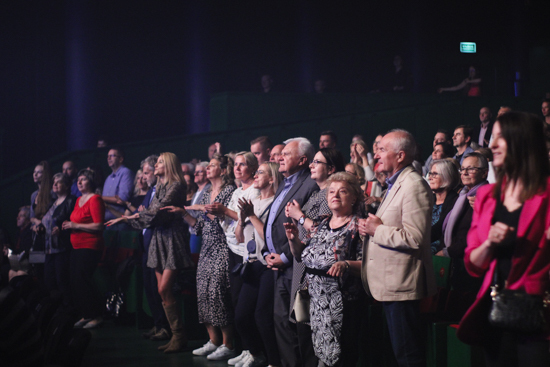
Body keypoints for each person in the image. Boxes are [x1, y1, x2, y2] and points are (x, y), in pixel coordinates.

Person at [457, 112, 550, 366]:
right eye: (492, 136)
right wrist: (489, 243)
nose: (492, 144)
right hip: (496, 312)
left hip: (540, 314)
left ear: (523, 141)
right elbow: (473, 264)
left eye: (501, 137)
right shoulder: (487, 195)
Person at [359, 129, 436, 367]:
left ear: (400, 156)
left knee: (408, 357)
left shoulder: (414, 185)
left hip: (402, 286)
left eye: (382, 149)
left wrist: (376, 231)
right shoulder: (394, 184)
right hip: (389, 285)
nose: (376, 154)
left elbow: (415, 238)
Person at [106, 153, 194, 353]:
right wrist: (128, 218)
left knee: (164, 289)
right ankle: (174, 335)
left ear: (169, 165)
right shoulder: (159, 186)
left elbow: (155, 213)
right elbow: (150, 213)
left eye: (160, 162)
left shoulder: (176, 185)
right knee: (160, 290)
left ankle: (180, 336)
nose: (156, 164)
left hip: (172, 240)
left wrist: (127, 219)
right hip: (157, 239)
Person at [285, 172, 365, 367]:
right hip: (315, 301)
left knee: (340, 356)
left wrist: (345, 264)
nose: (335, 195)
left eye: (342, 191)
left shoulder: (358, 226)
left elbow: (369, 264)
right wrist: (293, 240)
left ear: (354, 198)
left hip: (342, 302)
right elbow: (299, 255)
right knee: (317, 354)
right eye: (331, 192)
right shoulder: (321, 224)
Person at [169, 154, 237, 360]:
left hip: (222, 248)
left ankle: (229, 344)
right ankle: (213, 340)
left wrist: (198, 209)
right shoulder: (207, 192)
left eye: (213, 166)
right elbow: (199, 227)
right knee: (204, 294)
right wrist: (183, 213)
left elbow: (218, 218)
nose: (208, 169)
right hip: (206, 248)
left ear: (223, 171)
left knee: (218, 294)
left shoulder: (228, 191)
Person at [261, 137, 319, 367]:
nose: (279, 158)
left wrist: (284, 256)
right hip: (277, 265)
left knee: (298, 327)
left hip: (295, 265)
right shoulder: (285, 183)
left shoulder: (309, 184)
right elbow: (273, 223)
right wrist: (267, 251)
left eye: (286, 154)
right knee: (281, 324)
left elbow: (307, 229)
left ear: (303, 160)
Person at [232, 162, 283, 367]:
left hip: (267, 265)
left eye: (260, 172)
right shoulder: (252, 201)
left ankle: (274, 361)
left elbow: (271, 240)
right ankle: (256, 352)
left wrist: (252, 216)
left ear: (271, 179)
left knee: (262, 317)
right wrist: (242, 218)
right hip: (250, 265)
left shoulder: (276, 204)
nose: (256, 174)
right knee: (241, 316)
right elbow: (240, 238)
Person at [62, 169, 105, 329]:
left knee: (82, 279)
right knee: (74, 281)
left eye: (83, 180)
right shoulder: (79, 199)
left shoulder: (95, 199)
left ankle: (96, 315)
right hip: (76, 246)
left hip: (90, 246)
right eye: (78, 180)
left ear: (91, 182)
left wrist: (76, 225)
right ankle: (86, 314)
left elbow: (99, 225)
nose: (79, 182)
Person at [135, 155, 171, 342]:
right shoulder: (151, 191)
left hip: (157, 244)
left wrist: (144, 214)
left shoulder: (164, 190)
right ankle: (158, 325)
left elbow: (155, 216)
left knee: (159, 289)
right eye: (143, 173)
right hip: (146, 244)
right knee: (149, 287)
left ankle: (166, 327)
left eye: (147, 172)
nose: (144, 177)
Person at [42, 173, 76, 308]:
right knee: (49, 280)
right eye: (54, 182)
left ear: (67, 186)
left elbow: (74, 222)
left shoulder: (71, 201)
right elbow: (47, 221)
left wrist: (62, 230)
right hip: (49, 247)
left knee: (62, 280)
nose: (54, 185)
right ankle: (57, 310)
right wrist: (39, 227)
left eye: (59, 182)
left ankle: (69, 310)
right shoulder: (52, 202)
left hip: (63, 246)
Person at [427, 159, 460, 254]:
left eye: (435, 174)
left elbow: (440, 228)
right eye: (430, 174)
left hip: (440, 252)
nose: (430, 178)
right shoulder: (427, 199)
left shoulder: (456, 201)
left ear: (447, 177)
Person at [102, 147, 135, 225]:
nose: (109, 158)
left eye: (112, 155)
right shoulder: (108, 177)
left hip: (121, 221)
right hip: (107, 222)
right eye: (108, 156)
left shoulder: (126, 173)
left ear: (120, 159)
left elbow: (122, 198)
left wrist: (99, 197)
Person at [187, 162, 211, 254]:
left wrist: (183, 211)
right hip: (192, 232)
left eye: (199, 172)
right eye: (195, 172)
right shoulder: (197, 191)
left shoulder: (208, 190)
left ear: (206, 174)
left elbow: (199, 213)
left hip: (200, 233)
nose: (195, 174)